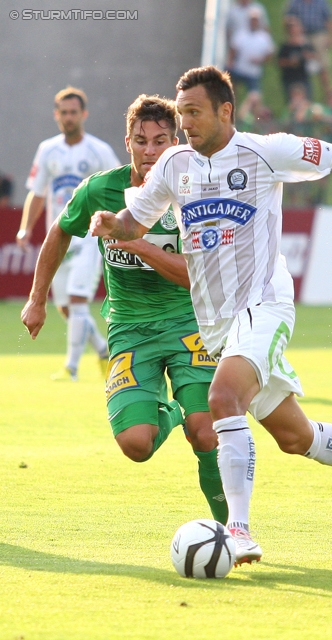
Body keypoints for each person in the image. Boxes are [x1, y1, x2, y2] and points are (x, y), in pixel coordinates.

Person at [90, 66, 332, 566]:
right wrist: (114, 223)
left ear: (226, 111)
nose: (186, 122)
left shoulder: (266, 152)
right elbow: (137, 221)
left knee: (222, 398)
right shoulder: (175, 164)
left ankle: (237, 531)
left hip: (265, 304)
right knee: (295, 438)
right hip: (217, 323)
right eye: (182, 113)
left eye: (194, 112)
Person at [20, 94, 228, 525]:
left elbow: (197, 277)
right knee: (136, 444)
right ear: (127, 142)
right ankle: (170, 412)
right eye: (141, 141)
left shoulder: (195, 189)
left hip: (190, 324)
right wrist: (37, 299)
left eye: (160, 140)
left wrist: (135, 242)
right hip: (131, 330)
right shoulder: (101, 189)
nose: (150, 151)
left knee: (206, 432)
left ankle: (234, 529)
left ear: (176, 143)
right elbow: (60, 231)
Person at [17, 87, 120, 381]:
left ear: (83, 115)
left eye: (74, 112)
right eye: (63, 112)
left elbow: (120, 187)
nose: (69, 117)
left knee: (77, 300)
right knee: (66, 308)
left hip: (89, 238)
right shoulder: (47, 150)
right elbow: (37, 194)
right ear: (56, 115)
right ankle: (102, 350)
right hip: (60, 237)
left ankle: (71, 368)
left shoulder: (98, 151)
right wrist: (26, 227)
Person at [284, 0, 332, 98]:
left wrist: (330, 36)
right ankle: (304, 94)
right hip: (302, 34)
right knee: (301, 63)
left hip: (318, 33)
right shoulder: (295, 2)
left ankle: (327, 94)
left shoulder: (321, 2)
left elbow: (329, 19)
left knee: (323, 65)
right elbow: (288, 18)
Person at [226, 7, 275, 99]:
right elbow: (233, 49)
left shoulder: (264, 37)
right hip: (239, 68)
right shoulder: (241, 34)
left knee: (254, 95)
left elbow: (270, 54)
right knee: (231, 90)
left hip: (254, 72)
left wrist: (260, 60)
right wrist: (231, 62)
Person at [277, 15, 317, 102]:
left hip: (303, 77)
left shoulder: (306, 44)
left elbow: (315, 58)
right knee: (292, 103)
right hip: (290, 78)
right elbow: (279, 62)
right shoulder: (285, 46)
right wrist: (290, 62)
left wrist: (309, 56)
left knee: (307, 102)